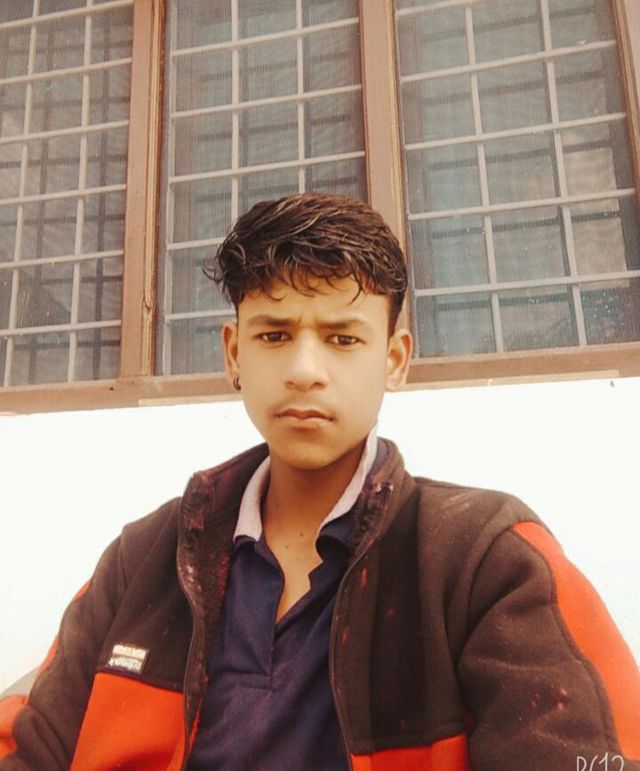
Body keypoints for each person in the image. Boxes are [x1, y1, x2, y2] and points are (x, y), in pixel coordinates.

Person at [1, 192, 638, 771]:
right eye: (275, 335)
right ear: (234, 354)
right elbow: (30, 745)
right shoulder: (146, 559)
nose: (305, 369)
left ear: (394, 360)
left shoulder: (484, 560)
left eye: (342, 338)